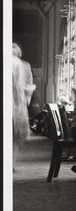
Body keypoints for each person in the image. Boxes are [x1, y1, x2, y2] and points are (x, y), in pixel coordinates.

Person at [12, 42, 35, 170]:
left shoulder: (24, 65)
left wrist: (25, 100)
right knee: (13, 135)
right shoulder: (20, 64)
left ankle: (11, 162)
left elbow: (28, 85)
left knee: (15, 135)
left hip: (17, 103)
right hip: (15, 103)